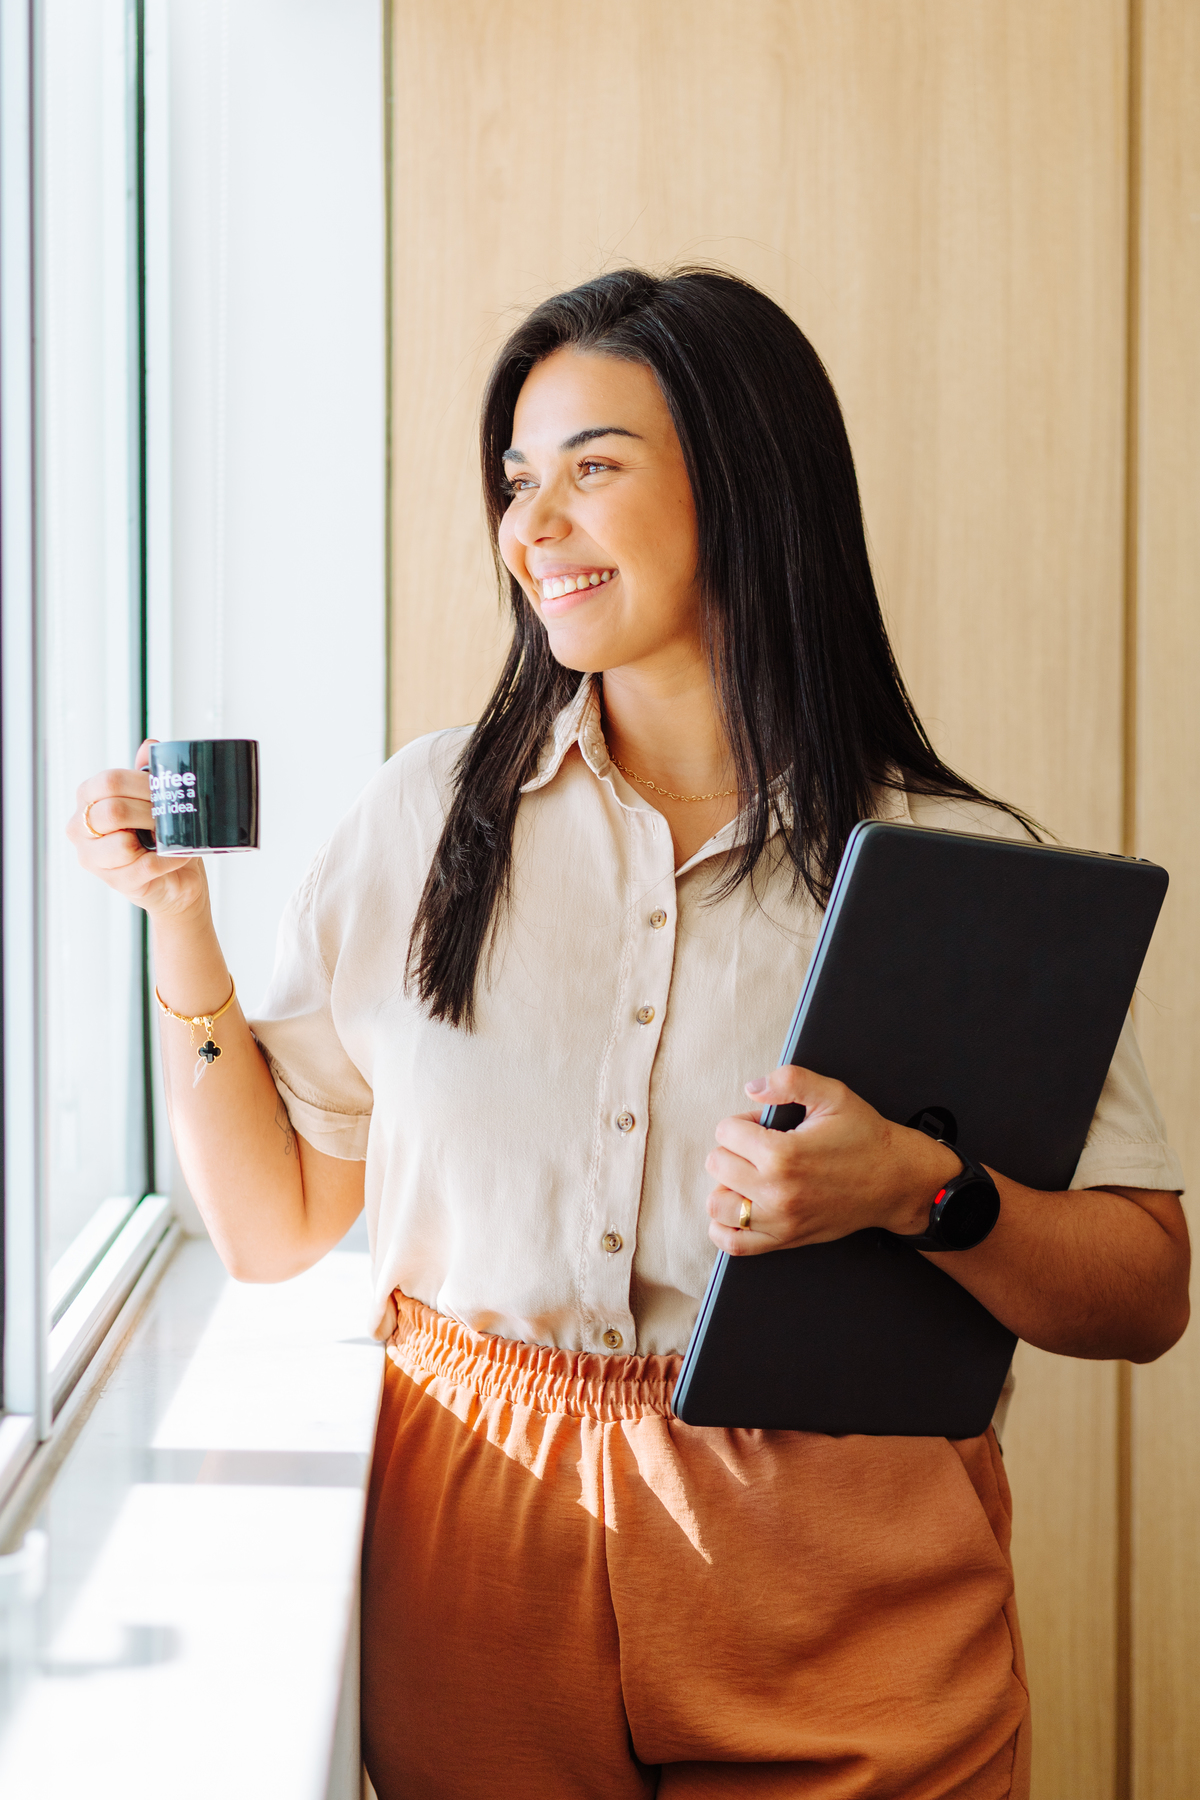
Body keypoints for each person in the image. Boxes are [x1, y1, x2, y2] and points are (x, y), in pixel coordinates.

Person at [70, 268, 1188, 1800]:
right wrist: (175, 919)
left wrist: (922, 1192)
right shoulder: (423, 817)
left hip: (844, 1584)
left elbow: (1142, 1292)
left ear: (743, 485)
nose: (533, 526)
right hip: (477, 1547)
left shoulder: (956, 867)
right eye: (518, 482)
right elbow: (273, 1225)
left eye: (593, 468)